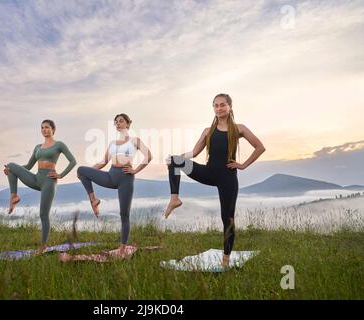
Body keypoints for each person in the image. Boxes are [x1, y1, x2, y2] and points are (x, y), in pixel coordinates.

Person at [164, 94, 265, 269]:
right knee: (173, 161)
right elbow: (194, 153)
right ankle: (174, 199)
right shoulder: (207, 131)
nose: (219, 108)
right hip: (208, 172)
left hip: (228, 178)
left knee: (227, 219)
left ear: (230, 107)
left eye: (222, 105)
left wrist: (243, 165)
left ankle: (226, 260)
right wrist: (177, 158)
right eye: (216, 106)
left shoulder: (239, 129)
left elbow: (260, 147)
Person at [76, 113, 153, 253]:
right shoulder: (112, 144)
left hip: (126, 178)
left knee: (124, 214)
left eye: (121, 121)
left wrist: (135, 170)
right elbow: (103, 162)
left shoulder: (135, 140)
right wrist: (89, 173)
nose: (118, 123)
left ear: (128, 124)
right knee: (80, 170)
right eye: (116, 122)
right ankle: (93, 200)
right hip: (110, 176)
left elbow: (149, 156)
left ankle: (122, 248)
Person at [3, 120, 77, 253]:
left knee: (43, 214)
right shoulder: (37, 147)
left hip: (49, 181)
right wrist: (11, 171)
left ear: (53, 129)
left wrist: (60, 175)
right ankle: (14, 196)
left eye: (47, 127)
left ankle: (43, 247)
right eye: (42, 128)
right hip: (36, 178)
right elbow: (28, 166)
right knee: (10, 166)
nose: (44, 130)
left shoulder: (59, 144)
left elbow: (73, 161)